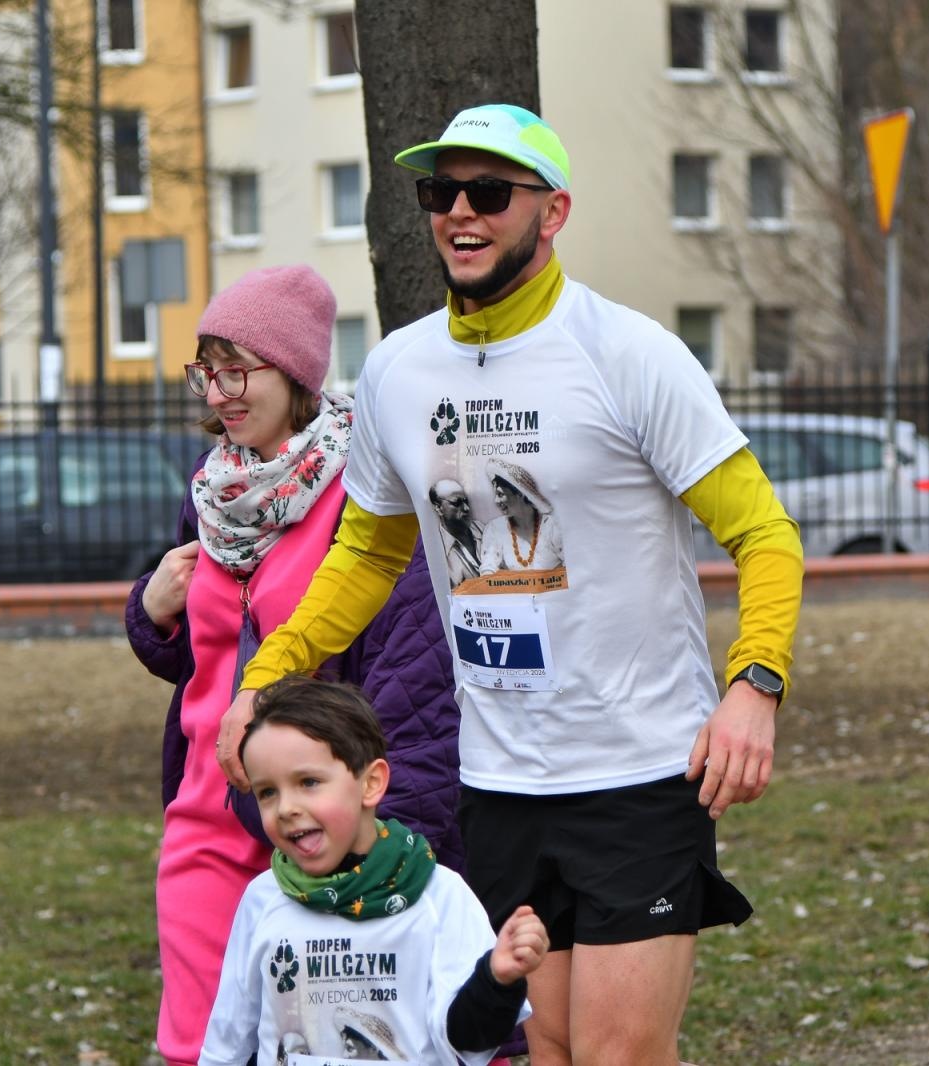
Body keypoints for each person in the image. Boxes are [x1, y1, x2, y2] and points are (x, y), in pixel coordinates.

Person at [217, 103, 805, 1066]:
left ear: (553, 210)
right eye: (439, 192)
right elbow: (365, 556)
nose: (460, 212)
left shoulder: (628, 353)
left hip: (640, 773)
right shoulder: (401, 369)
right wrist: (266, 678)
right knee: (549, 1055)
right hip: (498, 782)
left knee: (619, 1058)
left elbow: (765, 535)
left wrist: (756, 684)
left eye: (488, 191)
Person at [124, 263, 463, 1066]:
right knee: (197, 1046)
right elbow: (204, 652)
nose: (217, 394)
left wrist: (386, 844)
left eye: (236, 369)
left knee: (319, 1046)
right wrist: (149, 612)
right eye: (206, 371)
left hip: (315, 824)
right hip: (207, 818)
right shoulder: (214, 493)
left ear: (298, 371)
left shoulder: (364, 497)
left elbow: (412, 685)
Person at [198, 676, 545, 1066]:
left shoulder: (438, 896)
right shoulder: (264, 900)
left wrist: (495, 980)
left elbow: (466, 1040)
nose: (286, 808)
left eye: (308, 782)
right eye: (267, 792)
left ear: (372, 783)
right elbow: (227, 1043)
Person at [478, 459, 564, 576]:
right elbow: (488, 567)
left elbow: (573, 566)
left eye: (500, 494)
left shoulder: (552, 526)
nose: (496, 501)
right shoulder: (495, 528)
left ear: (520, 493)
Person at [428, 478, 485, 586]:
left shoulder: (486, 529)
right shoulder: (437, 550)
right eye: (457, 503)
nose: (467, 508)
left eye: (466, 501)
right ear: (438, 508)